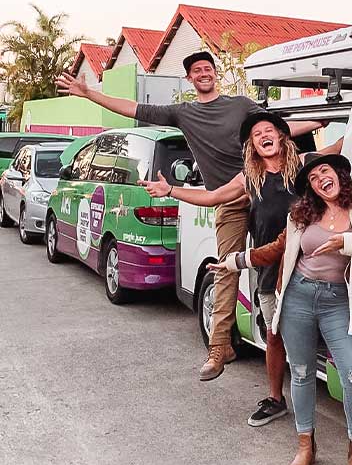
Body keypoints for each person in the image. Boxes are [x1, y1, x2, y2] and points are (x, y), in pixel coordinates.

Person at [55, 51, 322, 382]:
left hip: (265, 190)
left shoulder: (241, 105)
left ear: (216, 74)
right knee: (228, 266)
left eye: (208, 68)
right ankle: (220, 345)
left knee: (288, 252)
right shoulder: (183, 113)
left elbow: (275, 131)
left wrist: (318, 120)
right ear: (190, 79)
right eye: (197, 70)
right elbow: (135, 109)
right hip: (230, 197)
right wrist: (89, 93)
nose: (204, 74)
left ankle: (297, 325)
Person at [139, 112, 343, 427]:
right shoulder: (249, 178)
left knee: (321, 331)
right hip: (268, 269)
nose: (264, 134)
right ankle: (276, 399)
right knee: (274, 337)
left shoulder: (304, 164)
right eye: (257, 133)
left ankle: (337, 392)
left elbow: (343, 146)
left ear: (281, 135)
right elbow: (212, 197)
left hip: (308, 266)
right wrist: (170, 191)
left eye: (269, 130)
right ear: (252, 145)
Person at [208, 153, 352, 465]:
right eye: (312, 178)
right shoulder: (301, 215)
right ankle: (305, 445)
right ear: (310, 189)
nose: (320, 178)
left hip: (340, 301)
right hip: (298, 296)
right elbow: (274, 249)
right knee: (301, 373)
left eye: (325, 171)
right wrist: (234, 262)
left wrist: (351, 243)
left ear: (339, 175)